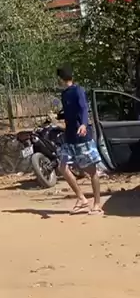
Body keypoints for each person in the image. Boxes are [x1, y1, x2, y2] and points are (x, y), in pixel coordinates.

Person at [56, 64, 106, 215]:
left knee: (91, 171)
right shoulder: (64, 94)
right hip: (69, 137)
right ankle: (82, 198)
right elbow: (70, 112)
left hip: (82, 136)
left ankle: (97, 204)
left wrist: (84, 124)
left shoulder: (78, 90)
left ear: (61, 79)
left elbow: (84, 108)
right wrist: (58, 116)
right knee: (62, 167)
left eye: (58, 79)